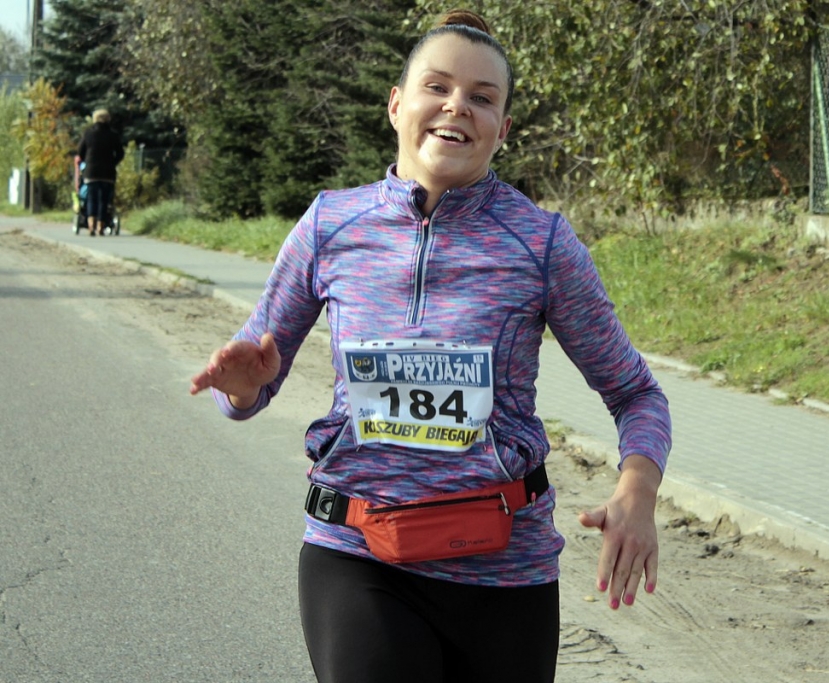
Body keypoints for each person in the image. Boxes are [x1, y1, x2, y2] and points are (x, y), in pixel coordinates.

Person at [190, 9, 671, 683]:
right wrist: (244, 387)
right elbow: (248, 382)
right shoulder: (331, 224)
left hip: (504, 572)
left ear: (503, 128)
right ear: (396, 105)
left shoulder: (542, 245)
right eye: (437, 87)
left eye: (482, 97)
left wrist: (638, 490)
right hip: (357, 552)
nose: (457, 107)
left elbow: (636, 393)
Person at [76, 108, 124, 236]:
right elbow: (120, 153)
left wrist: (87, 161)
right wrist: (113, 162)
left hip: (91, 172)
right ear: (108, 119)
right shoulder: (113, 134)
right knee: (104, 199)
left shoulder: (88, 133)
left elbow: (80, 151)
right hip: (108, 172)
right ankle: (100, 226)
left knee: (91, 198)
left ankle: (91, 225)